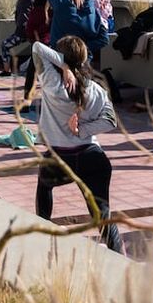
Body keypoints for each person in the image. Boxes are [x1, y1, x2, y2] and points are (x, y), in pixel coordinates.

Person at [33, 35, 123, 253]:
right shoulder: (96, 89)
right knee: (102, 215)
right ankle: (119, 256)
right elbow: (110, 121)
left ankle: (42, 238)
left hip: (59, 159)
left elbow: (37, 47)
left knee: (44, 188)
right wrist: (82, 130)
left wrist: (63, 66)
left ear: (59, 57)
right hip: (92, 158)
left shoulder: (51, 82)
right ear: (84, 60)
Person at [38, 0, 105, 53]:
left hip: (59, 54)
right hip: (83, 57)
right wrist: (82, 49)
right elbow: (104, 39)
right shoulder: (91, 8)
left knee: (37, 47)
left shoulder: (61, 3)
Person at [0, 0, 35, 77]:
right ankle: (7, 70)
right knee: (5, 45)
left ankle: (7, 70)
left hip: (23, 32)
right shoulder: (27, 0)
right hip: (24, 31)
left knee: (5, 45)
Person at [22, 0, 51, 103]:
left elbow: (29, 29)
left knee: (31, 73)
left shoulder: (36, 11)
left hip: (38, 46)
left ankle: (27, 100)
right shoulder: (53, 10)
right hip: (50, 45)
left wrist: (34, 39)